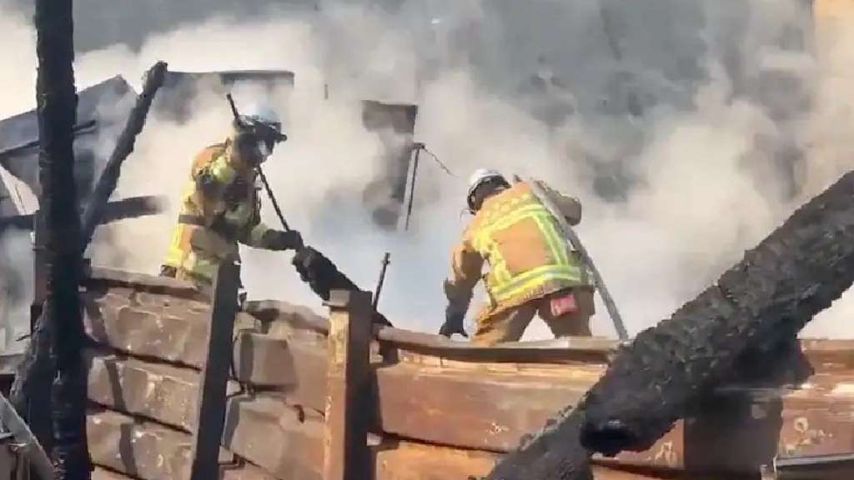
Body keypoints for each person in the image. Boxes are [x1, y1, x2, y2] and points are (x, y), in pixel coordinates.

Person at [440, 169, 595, 345]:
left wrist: (455, 315)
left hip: (513, 294)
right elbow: (574, 211)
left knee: (484, 353)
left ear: (474, 200)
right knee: (580, 348)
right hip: (563, 283)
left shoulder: (477, 223)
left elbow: (463, 276)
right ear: (503, 184)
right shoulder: (532, 190)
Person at [160, 101, 303, 289]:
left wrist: (277, 239)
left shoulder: (250, 178)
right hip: (188, 270)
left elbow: (245, 230)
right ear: (251, 137)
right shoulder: (212, 156)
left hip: (220, 279)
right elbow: (207, 187)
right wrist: (233, 160)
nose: (268, 153)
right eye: (267, 143)